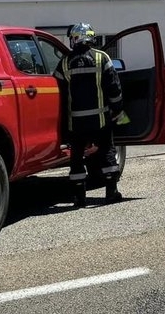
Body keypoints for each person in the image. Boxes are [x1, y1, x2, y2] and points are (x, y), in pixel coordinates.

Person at [57, 22, 130, 206]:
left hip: (76, 123)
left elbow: (59, 93)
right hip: (100, 120)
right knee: (107, 153)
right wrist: (118, 109)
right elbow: (114, 88)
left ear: (77, 38)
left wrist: (63, 123)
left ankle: (79, 198)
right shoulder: (102, 58)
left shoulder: (65, 62)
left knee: (76, 158)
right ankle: (111, 192)